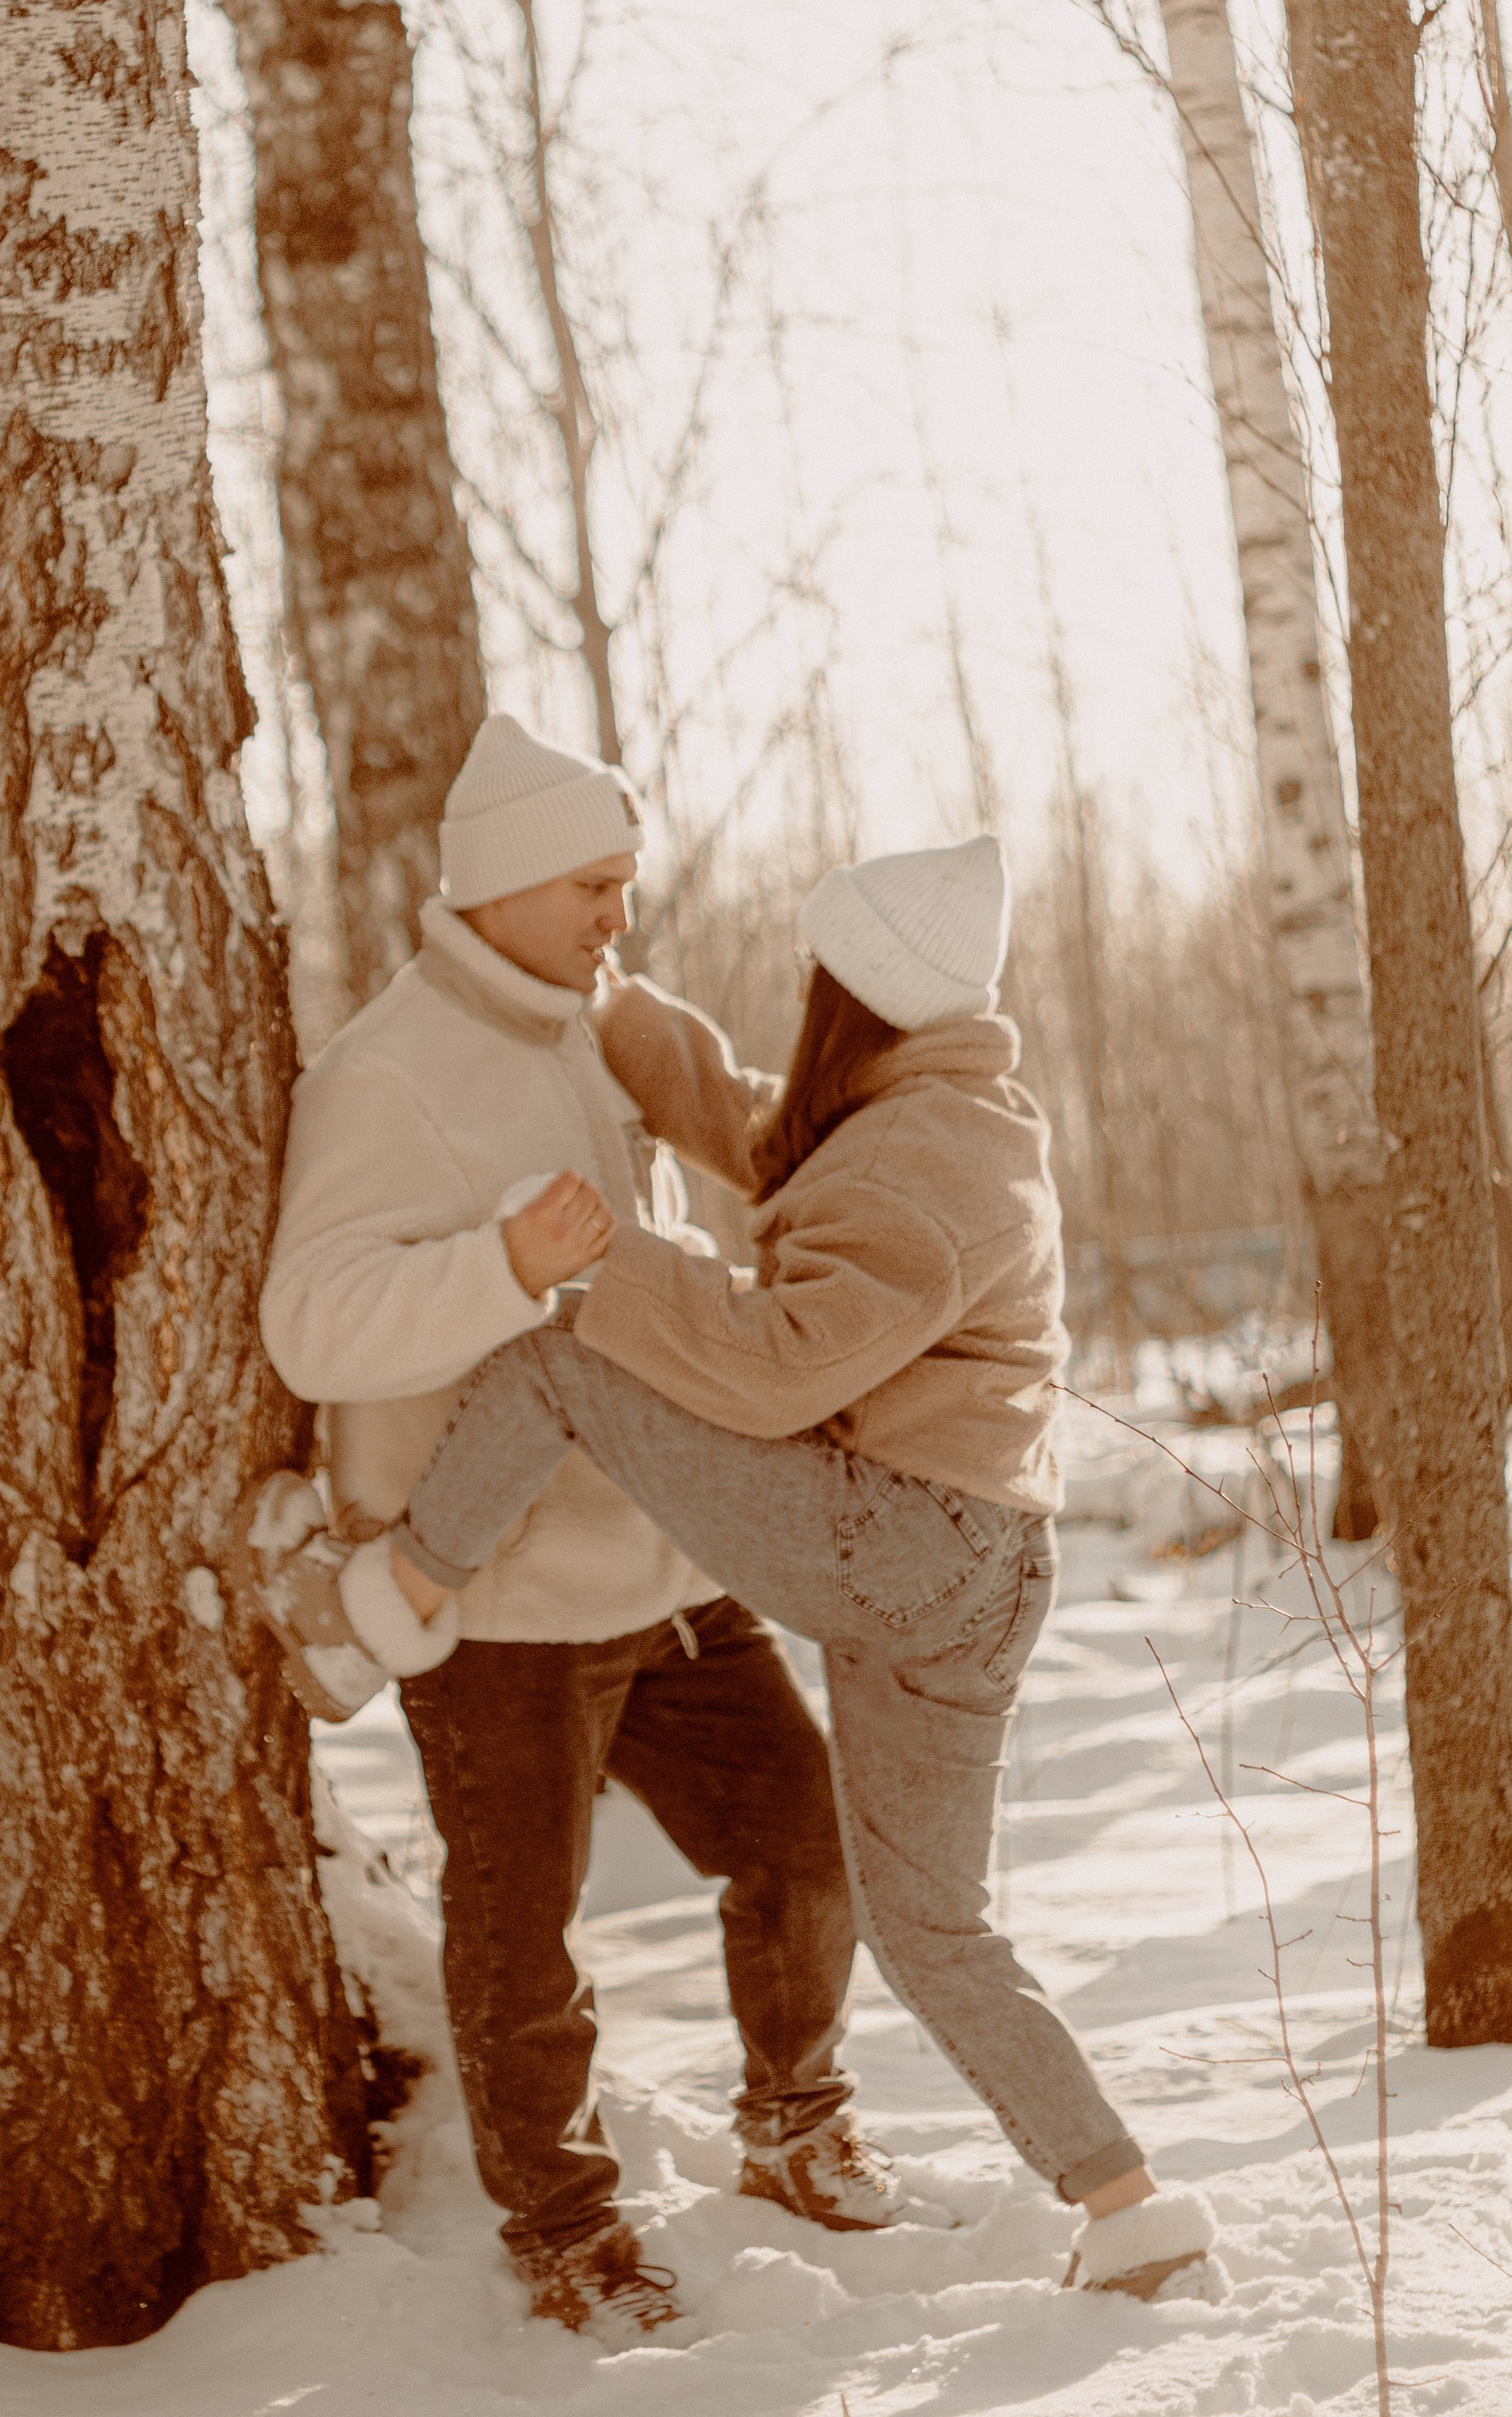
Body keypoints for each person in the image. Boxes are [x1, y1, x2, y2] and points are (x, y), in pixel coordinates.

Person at [264, 837, 1219, 2313]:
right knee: (934, 1929)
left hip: (890, 1540)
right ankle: (1129, 2206)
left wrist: (617, 1267)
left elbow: (784, 1369)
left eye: (819, 974)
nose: (802, 994)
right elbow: (760, 1132)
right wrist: (604, 989)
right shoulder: (948, 1104)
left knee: (553, 1354)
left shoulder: (920, 1158)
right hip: (979, 1566)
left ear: (859, 991)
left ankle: (378, 1599)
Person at [261, 717, 899, 2349]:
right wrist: (500, 1263)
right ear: (499, 884)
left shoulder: (605, 1023)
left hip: (668, 1556)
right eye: (592, 883)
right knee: (520, 1938)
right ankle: (563, 2230)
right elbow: (312, 1328)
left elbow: (734, 1160)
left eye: (625, 878)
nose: (619, 910)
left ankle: (793, 2116)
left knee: (807, 1843)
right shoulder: (385, 1072)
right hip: (501, 1598)